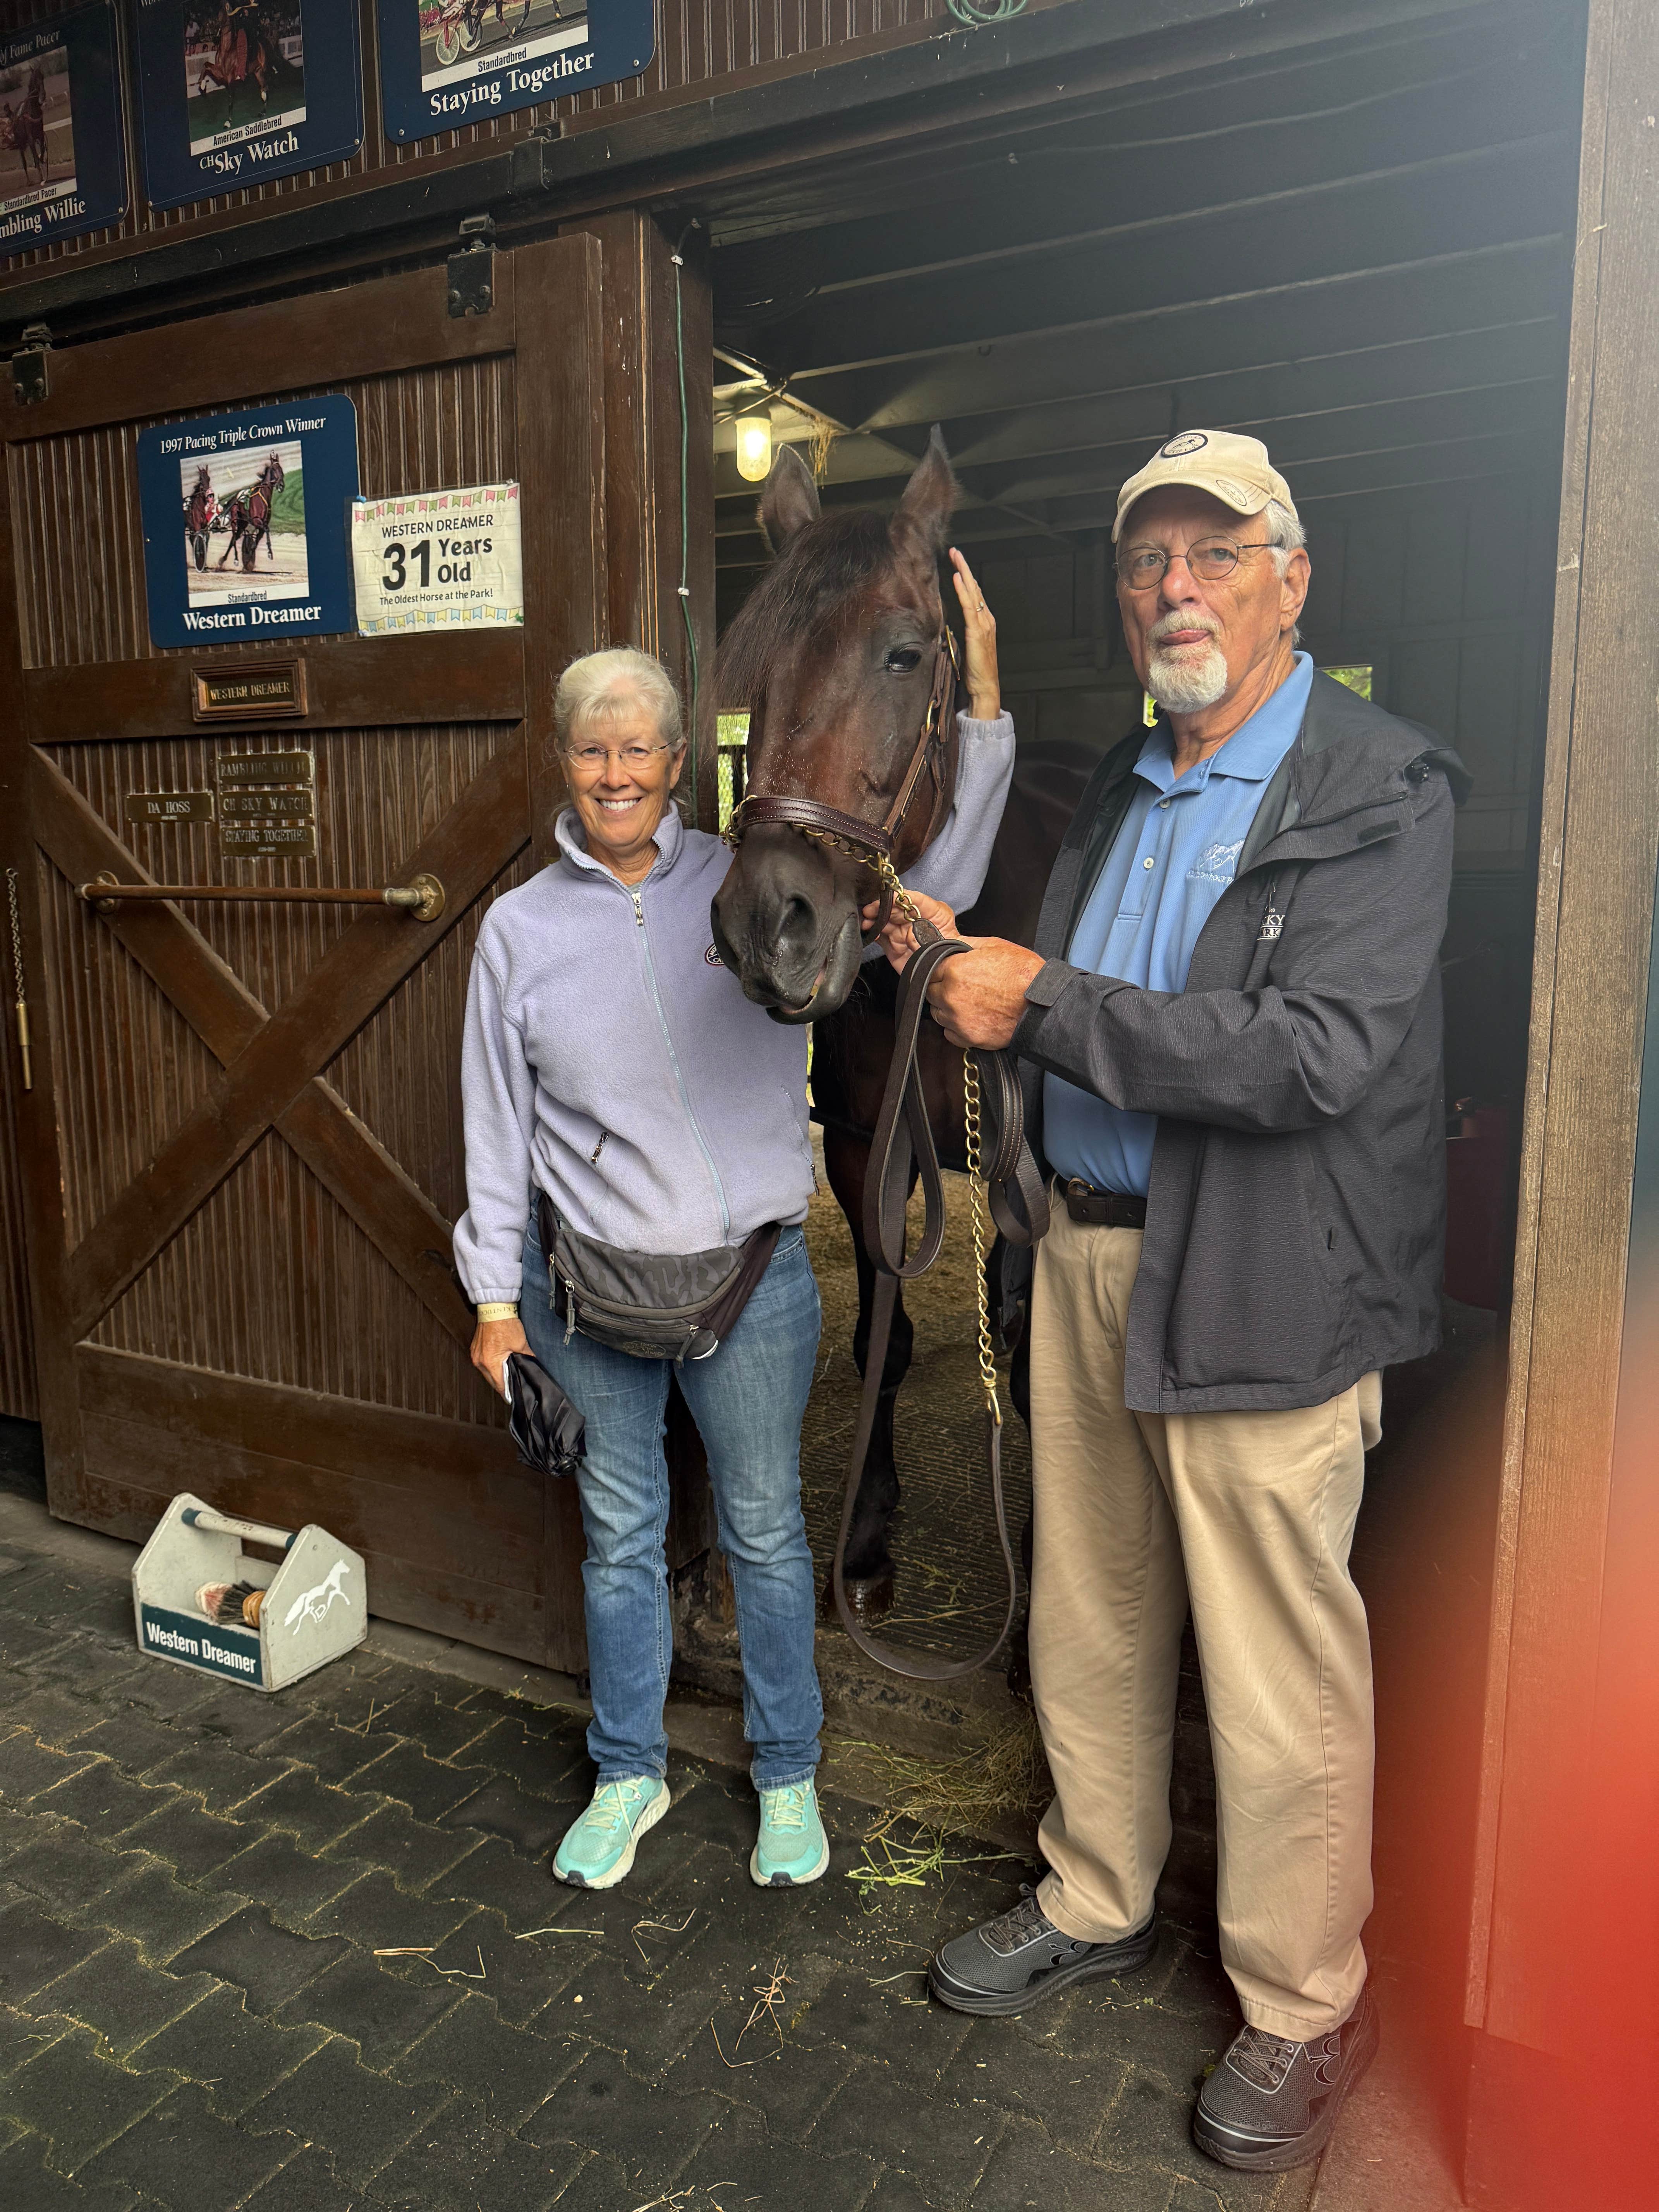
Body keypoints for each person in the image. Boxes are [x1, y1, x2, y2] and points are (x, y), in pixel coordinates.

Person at [881, 432, 1466, 2171]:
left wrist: (1039, 1006)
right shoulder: (1128, 784)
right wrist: (963, 974)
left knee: (1276, 1659)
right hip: (1088, 1253)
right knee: (1097, 1607)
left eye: (1215, 553)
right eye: (1148, 561)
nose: (1175, 589)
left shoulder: (1377, 785)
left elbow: (1312, 1054)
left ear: (1294, 577)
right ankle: (1097, 1891)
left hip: (1266, 1273)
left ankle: (1302, 1998)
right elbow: (1076, 1002)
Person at [453, 575, 1013, 1893]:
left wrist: (982, 712)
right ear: (565, 763)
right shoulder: (518, 933)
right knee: (620, 1543)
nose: (616, 773)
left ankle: (786, 1771)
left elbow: (943, 884)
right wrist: (494, 1305)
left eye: (639, 748)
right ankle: (627, 1772)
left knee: (764, 1537)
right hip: (588, 1291)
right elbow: (493, 1127)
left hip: (752, 1285)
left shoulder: (762, 889)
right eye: (591, 749)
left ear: (677, 761)